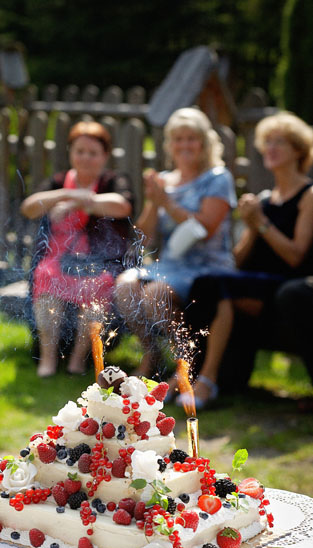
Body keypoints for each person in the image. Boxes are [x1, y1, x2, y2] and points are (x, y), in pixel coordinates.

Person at [182, 111, 313, 409]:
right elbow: (238, 262)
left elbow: (296, 256)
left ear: (298, 151)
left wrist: (262, 223)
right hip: (256, 282)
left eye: (280, 143)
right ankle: (198, 375)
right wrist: (253, 226)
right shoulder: (265, 198)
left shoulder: (308, 195)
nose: (271, 149)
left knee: (218, 286)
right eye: (268, 143)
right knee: (207, 285)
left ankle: (207, 379)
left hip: (289, 285)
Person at [115, 107, 237, 380]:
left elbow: (204, 228)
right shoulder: (165, 181)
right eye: (178, 138)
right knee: (124, 286)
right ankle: (152, 354)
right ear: (170, 144)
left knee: (154, 294)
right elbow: (145, 238)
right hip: (170, 264)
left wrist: (166, 203)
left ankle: (186, 363)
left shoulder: (217, 178)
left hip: (207, 264)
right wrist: (152, 201)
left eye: (191, 138)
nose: (184, 144)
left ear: (204, 142)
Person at [20, 121, 134, 378]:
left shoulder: (112, 181)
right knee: (46, 276)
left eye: (92, 153)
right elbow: (29, 207)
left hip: (98, 261)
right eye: (80, 151)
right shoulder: (60, 181)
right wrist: (65, 194)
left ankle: (78, 359)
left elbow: (122, 206)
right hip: (57, 259)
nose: (85, 158)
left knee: (99, 283)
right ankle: (47, 359)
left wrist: (79, 202)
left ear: (104, 156)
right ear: (71, 152)